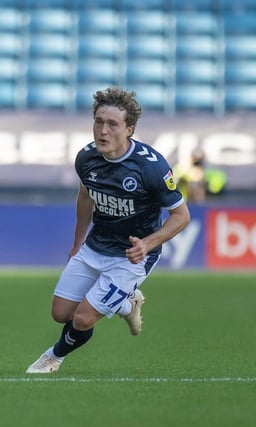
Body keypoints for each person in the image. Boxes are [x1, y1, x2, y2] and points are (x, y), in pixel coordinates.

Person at [26, 87, 190, 374]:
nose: (103, 130)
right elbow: (85, 196)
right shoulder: (86, 159)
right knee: (60, 313)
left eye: (112, 124)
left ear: (129, 129)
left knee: (82, 319)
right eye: (98, 122)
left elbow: (181, 216)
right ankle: (127, 303)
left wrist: (147, 245)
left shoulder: (150, 167)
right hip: (95, 246)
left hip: (131, 257)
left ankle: (53, 357)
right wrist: (77, 242)